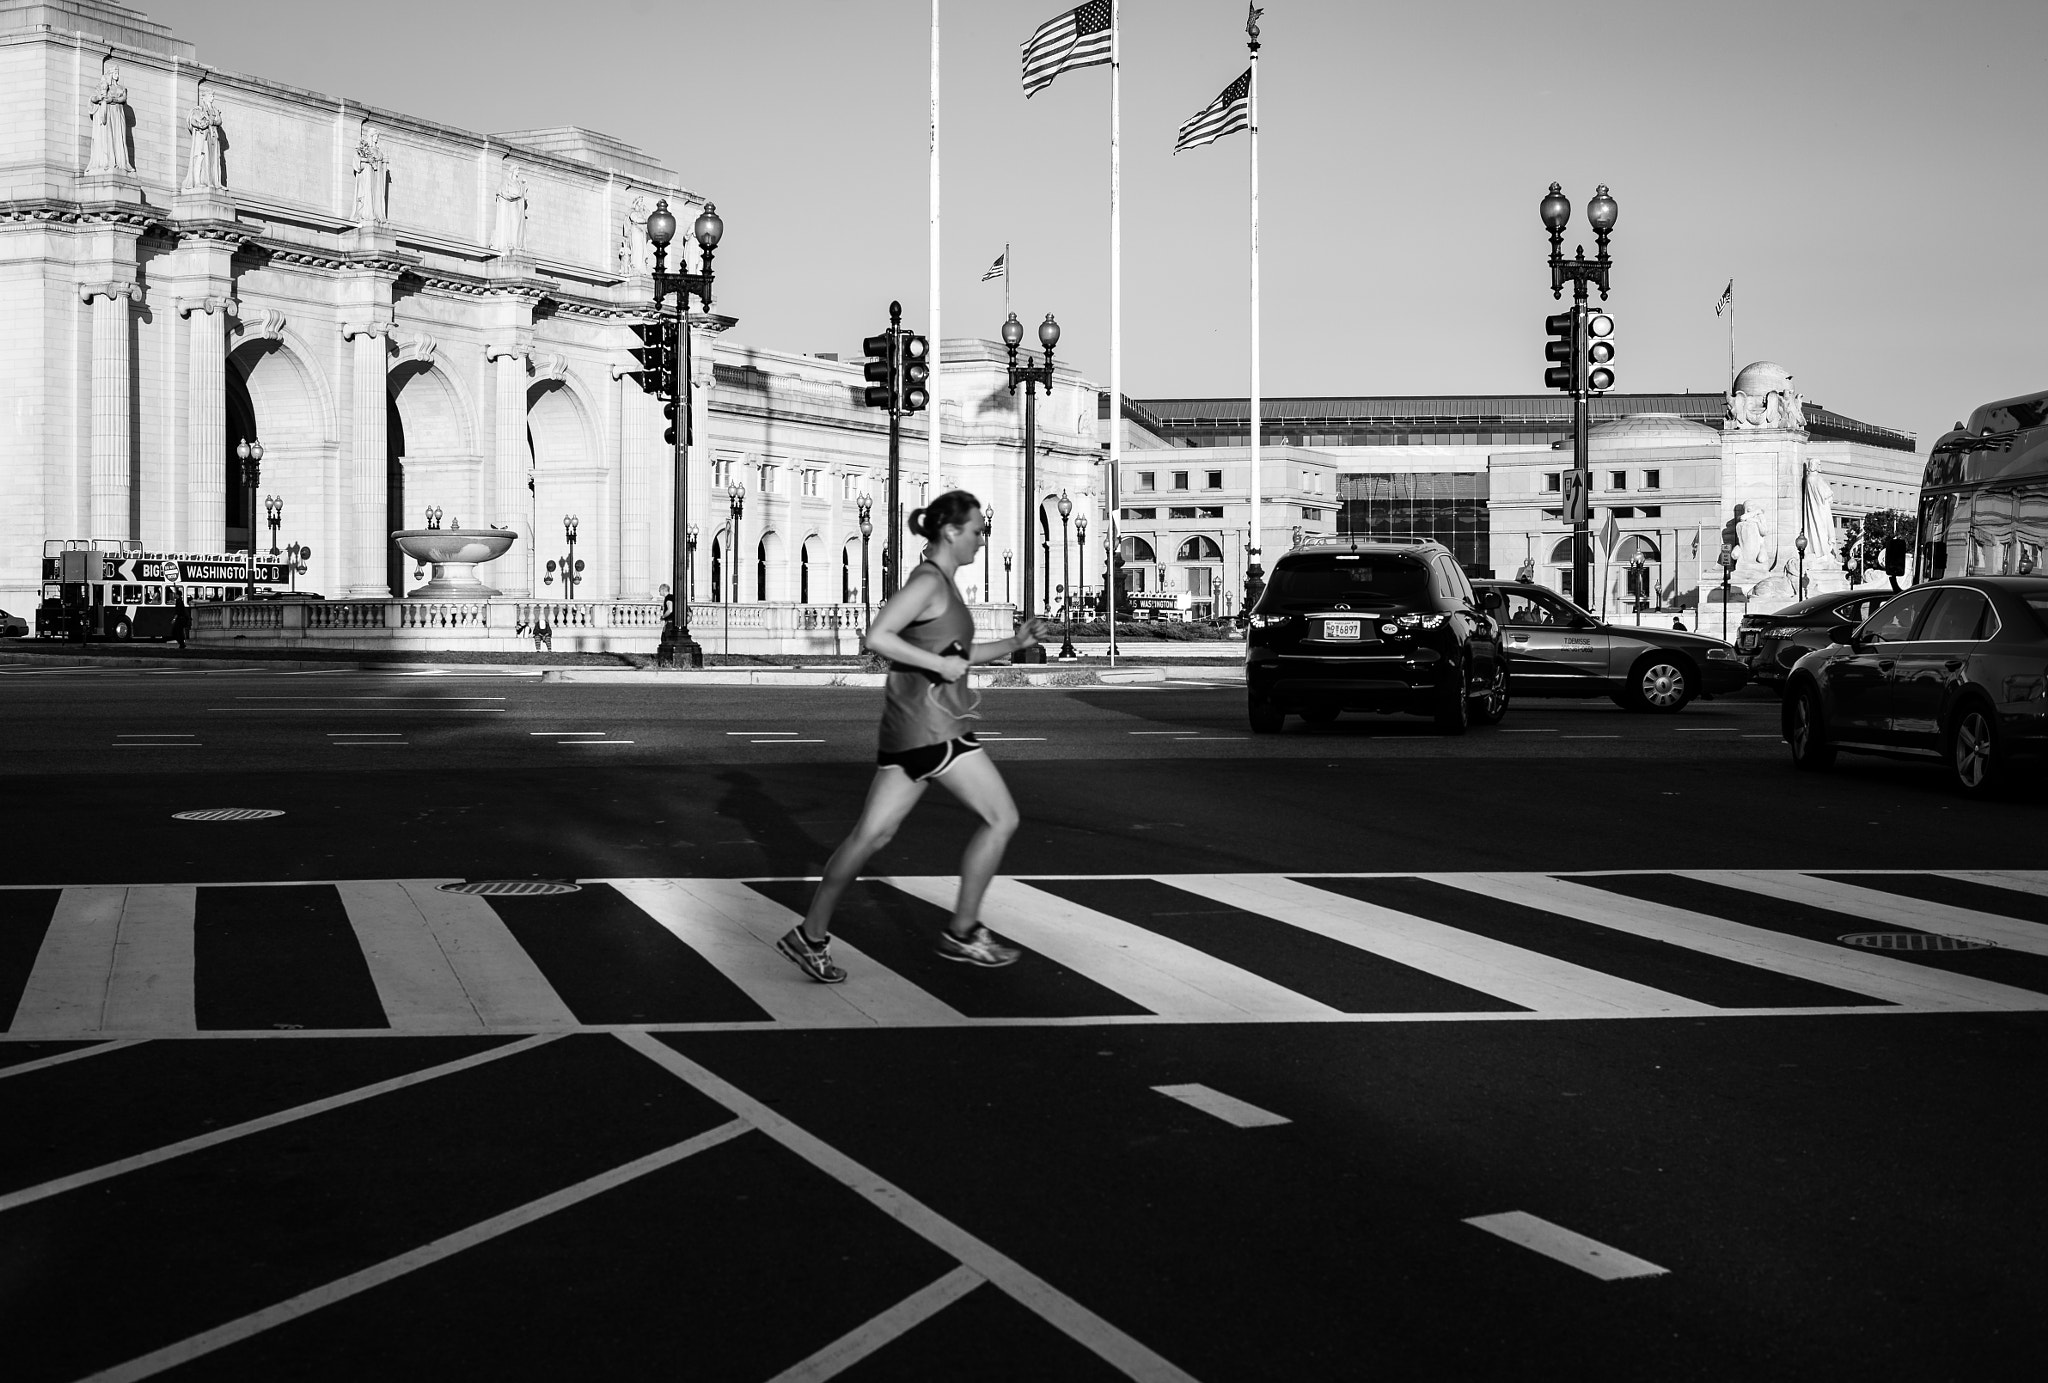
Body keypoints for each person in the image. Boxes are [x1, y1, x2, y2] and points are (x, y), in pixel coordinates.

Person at [780, 491, 1051, 983]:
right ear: (951, 532)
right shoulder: (929, 581)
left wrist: (1013, 643)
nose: (981, 540)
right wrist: (937, 664)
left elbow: (955, 655)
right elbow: (877, 635)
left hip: (911, 728)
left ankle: (810, 935)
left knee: (871, 835)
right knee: (1001, 817)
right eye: (976, 531)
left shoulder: (940, 582)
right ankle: (963, 932)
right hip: (934, 726)